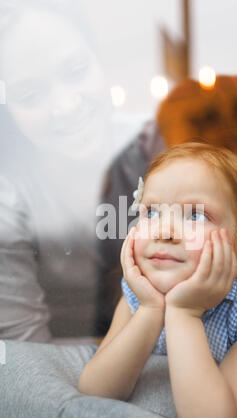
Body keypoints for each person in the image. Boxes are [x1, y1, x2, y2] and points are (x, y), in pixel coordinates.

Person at [78, 142, 237, 418]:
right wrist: (149, 309)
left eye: (196, 216)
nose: (165, 231)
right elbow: (95, 390)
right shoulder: (141, 287)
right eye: (152, 212)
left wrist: (184, 313)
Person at [0, 0, 113, 341]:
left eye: (76, 70)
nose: (65, 107)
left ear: (101, 62)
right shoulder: (8, 199)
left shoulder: (165, 155)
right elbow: (24, 363)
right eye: (31, 94)